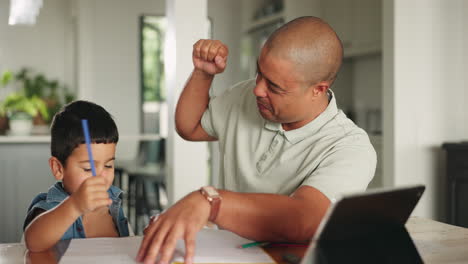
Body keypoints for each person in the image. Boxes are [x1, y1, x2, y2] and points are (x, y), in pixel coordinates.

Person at [137, 16, 376, 264]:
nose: (258, 89)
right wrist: (202, 74)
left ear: (318, 89)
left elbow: (304, 219)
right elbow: (191, 127)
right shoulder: (245, 95)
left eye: (274, 87)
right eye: (259, 72)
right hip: (226, 256)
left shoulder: (350, 147)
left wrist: (211, 202)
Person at [23, 100, 130, 252]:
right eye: (88, 168)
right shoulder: (50, 207)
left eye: (108, 165)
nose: (100, 177)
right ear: (58, 168)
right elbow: (33, 242)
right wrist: (74, 205)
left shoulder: (114, 204)